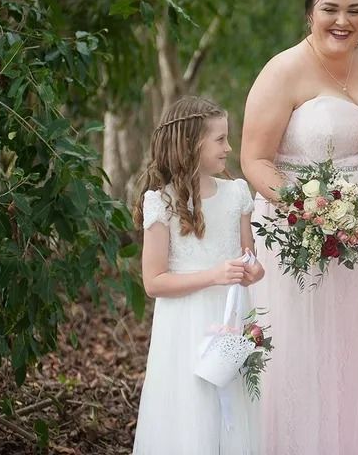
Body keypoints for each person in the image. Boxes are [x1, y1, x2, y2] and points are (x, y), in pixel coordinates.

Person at [241, 0, 358, 455]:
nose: (342, 21)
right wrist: (307, 209)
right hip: (299, 233)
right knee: (304, 352)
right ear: (310, 12)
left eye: (355, 11)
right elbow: (254, 159)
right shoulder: (283, 70)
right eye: (330, 9)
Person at [133, 96, 263, 454]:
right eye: (220, 139)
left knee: (231, 411)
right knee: (191, 411)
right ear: (191, 144)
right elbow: (153, 281)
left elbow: (248, 257)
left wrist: (251, 270)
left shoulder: (236, 194)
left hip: (229, 318)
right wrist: (213, 275)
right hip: (185, 324)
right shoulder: (162, 202)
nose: (229, 147)